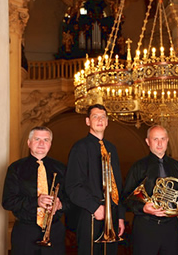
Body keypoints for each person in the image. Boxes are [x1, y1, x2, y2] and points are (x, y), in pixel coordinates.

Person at [121, 125, 178, 255]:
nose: (159, 143)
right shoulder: (138, 167)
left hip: (170, 226)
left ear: (167, 140)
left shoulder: (176, 166)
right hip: (146, 226)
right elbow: (126, 199)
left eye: (163, 139)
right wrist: (143, 208)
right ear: (148, 142)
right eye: (155, 139)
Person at [65, 104, 125, 255]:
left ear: (107, 122)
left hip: (112, 213)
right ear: (87, 121)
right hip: (90, 213)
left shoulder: (112, 148)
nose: (100, 120)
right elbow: (73, 186)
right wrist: (95, 208)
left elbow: (117, 185)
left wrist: (120, 217)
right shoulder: (79, 147)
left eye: (103, 117)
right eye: (95, 117)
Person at [2, 126, 69, 255]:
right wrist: (36, 201)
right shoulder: (16, 168)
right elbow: (8, 202)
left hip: (54, 231)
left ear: (50, 144)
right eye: (37, 139)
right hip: (25, 232)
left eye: (46, 140)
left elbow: (72, 199)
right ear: (29, 143)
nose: (41, 143)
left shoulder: (61, 168)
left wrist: (60, 205)